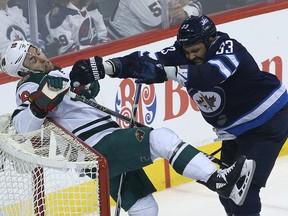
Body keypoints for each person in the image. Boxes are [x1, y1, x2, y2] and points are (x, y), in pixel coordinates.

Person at [0, 40, 256, 215]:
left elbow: (77, 98)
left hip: (102, 151)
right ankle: (220, 181)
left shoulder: (55, 74)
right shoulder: (28, 87)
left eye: (36, 51)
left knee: (145, 209)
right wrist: (43, 99)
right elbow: (23, 126)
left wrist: (84, 87)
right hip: (97, 147)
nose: (40, 57)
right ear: (23, 71)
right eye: (31, 60)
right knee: (161, 139)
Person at [69, 15, 288, 215]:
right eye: (187, 51)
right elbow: (143, 60)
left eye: (196, 51)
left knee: (244, 193)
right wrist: (103, 67)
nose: (191, 57)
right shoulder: (181, 52)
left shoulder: (228, 48)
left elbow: (210, 75)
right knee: (227, 191)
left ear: (210, 40)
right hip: (232, 132)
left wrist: (165, 72)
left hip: (268, 121)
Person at [107, 0, 202, 40]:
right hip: (119, 46)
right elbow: (163, 24)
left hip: (144, 44)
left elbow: (197, 5)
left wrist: (184, 13)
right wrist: (182, 5)